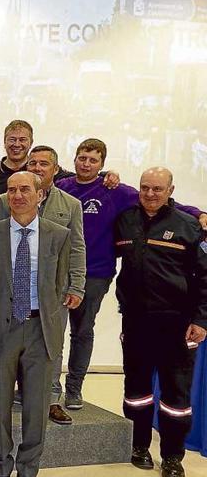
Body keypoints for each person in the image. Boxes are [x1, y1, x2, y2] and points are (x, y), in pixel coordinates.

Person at [55, 139, 207, 410]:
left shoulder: (114, 190)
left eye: (93, 160)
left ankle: (74, 388)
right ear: (75, 159)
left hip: (95, 274)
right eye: (82, 158)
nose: (86, 164)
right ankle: (51, 388)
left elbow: (160, 201)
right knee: (52, 334)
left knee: (81, 332)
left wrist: (198, 213)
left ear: (101, 164)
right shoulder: (62, 188)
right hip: (57, 274)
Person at [0, 171, 72, 477]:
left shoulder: (58, 235)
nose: (18, 195)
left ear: (39, 195)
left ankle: (29, 468)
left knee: (36, 409)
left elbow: (59, 284)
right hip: (3, 330)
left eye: (25, 189)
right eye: (12, 190)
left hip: (41, 330)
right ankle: (0, 467)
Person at [114, 166, 207, 477]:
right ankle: (138, 446)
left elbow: (206, 278)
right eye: (145, 188)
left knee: (176, 397)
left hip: (177, 325)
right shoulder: (126, 220)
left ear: (170, 190)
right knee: (136, 390)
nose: (150, 194)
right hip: (136, 322)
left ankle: (172, 457)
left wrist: (201, 319)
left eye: (157, 189)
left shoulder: (189, 225)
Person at [0, 145, 86, 425]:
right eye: (32, 162)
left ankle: (51, 399)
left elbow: (76, 247)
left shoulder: (70, 205)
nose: (36, 167)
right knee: (8, 343)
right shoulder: (5, 200)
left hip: (53, 292)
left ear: (55, 169)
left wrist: (77, 285)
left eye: (43, 163)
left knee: (52, 346)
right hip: (15, 290)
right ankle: (3, 395)